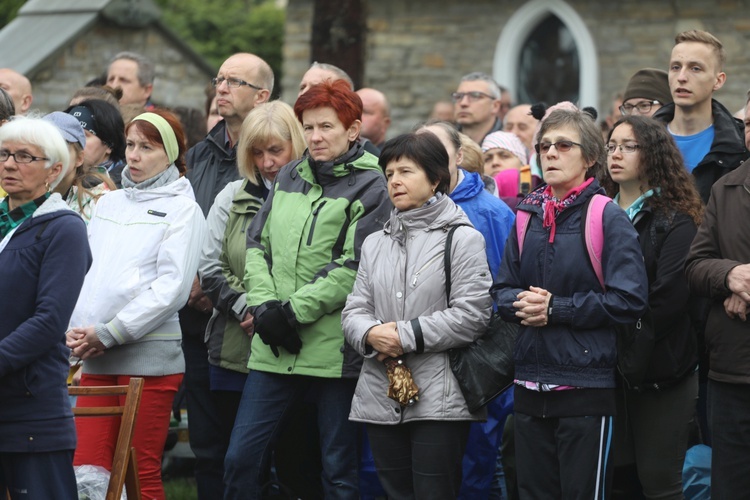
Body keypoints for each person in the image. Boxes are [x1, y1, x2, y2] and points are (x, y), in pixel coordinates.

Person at [223, 79, 391, 499]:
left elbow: (352, 266)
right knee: (241, 461)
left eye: (327, 127)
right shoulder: (289, 176)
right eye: (309, 127)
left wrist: (290, 312)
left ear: (353, 130)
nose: (315, 137)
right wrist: (264, 308)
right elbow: (257, 245)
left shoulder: (374, 186)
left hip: (333, 352)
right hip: (273, 345)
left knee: (337, 471)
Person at [491, 107, 648, 499]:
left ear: (590, 157)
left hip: (584, 387)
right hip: (529, 383)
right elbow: (501, 290)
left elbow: (630, 300)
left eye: (563, 145)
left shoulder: (606, 216)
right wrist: (521, 304)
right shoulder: (526, 215)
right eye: (544, 146)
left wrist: (555, 309)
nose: (551, 153)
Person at [341, 132, 492, 499]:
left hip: (440, 396)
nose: (394, 180)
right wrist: (369, 334)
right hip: (381, 388)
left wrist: (402, 336)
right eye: (389, 172)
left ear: (435, 178)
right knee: (395, 493)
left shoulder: (462, 238)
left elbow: (472, 315)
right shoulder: (376, 242)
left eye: (406, 171)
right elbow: (354, 309)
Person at [67, 110, 207, 500]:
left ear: (171, 154)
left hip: (147, 361)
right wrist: (79, 333)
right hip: (94, 354)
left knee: (137, 472)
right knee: (86, 471)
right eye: (130, 144)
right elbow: (88, 275)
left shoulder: (184, 209)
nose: (134, 155)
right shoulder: (108, 204)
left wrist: (110, 332)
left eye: (147, 147)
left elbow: (172, 289)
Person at [197, 100, 306, 483]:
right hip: (235, 347)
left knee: (294, 461)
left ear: (296, 143)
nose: (267, 162)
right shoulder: (231, 196)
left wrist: (273, 315)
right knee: (239, 462)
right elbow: (210, 267)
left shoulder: (316, 197)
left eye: (276, 150)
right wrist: (250, 311)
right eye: (256, 152)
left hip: (296, 347)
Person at [182, 52, 273, 499]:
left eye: (234, 81)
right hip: (197, 314)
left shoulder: (277, 163)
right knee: (207, 444)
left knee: (255, 450)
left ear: (262, 95)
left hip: (252, 318)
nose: (221, 87)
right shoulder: (199, 153)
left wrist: (229, 294)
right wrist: (194, 277)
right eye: (218, 78)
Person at [602, 115, 702, 499]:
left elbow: (668, 300)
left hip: (662, 371)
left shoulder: (676, 220)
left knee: (659, 482)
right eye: (612, 146)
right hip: (603, 371)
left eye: (628, 146)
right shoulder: (596, 212)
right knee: (615, 482)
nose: (617, 154)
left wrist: (603, 323)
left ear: (654, 154)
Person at [416, 122, 515, 498]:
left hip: (475, 363)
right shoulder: (407, 207)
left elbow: (501, 293)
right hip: (423, 354)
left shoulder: (490, 213)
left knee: (475, 468)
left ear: (458, 156)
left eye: (437, 150)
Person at [0, 116, 91, 499]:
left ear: (55, 170)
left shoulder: (63, 228)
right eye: (4, 153)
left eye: (24, 156)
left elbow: (50, 319)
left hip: (30, 406)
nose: (8, 164)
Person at [684, 89, 750, 500]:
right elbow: (694, 266)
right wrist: (731, 277)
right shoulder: (726, 190)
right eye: (749, 125)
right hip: (732, 373)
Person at [653, 29, 748, 203]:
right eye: (675, 67)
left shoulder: (740, 146)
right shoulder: (642, 140)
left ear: (718, 81)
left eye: (695, 68)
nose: (681, 77)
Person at [43, 111, 114, 222]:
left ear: (79, 158)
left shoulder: (99, 201)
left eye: (61, 147)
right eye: (42, 146)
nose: (50, 154)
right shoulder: (25, 190)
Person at [65, 99, 127, 188]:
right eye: (68, 134)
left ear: (109, 145)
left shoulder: (126, 187)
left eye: (84, 135)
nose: (73, 141)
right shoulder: (52, 178)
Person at [482, 130, 540, 212]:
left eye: (504, 156)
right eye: (487, 159)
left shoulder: (541, 197)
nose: (494, 163)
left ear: (522, 164)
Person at [453, 72, 502, 145]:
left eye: (475, 96)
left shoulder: (509, 145)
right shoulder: (445, 142)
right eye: (459, 96)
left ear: (495, 106)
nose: (463, 103)